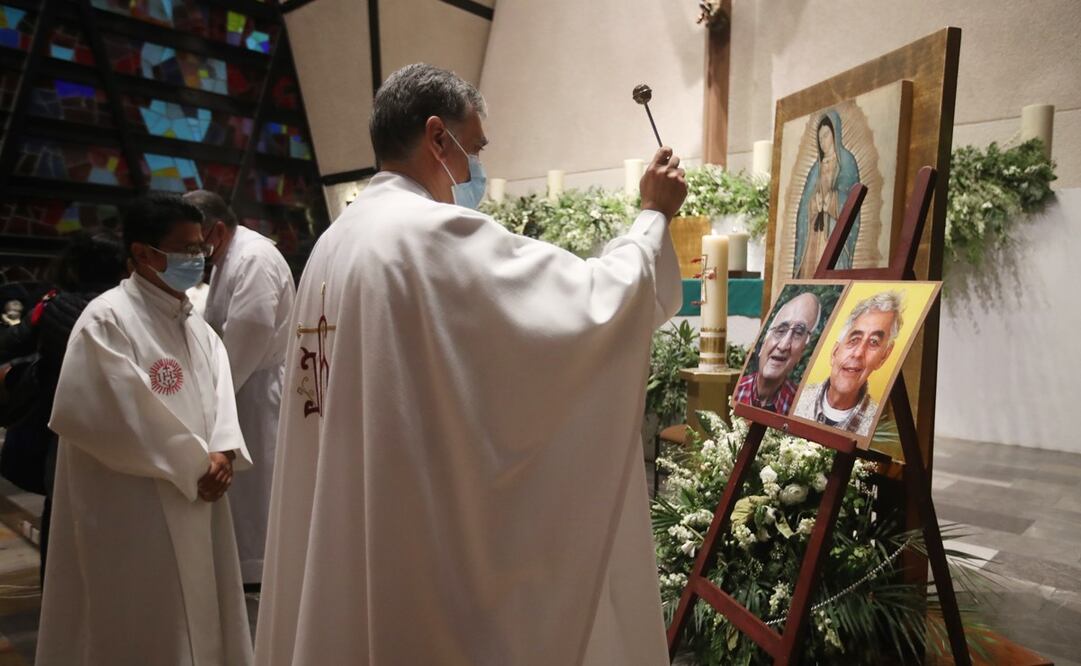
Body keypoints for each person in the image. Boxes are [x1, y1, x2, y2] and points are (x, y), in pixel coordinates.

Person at [255, 63, 686, 666]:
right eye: (474, 148)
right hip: (411, 539)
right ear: (437, 137)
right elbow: (592, 308)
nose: (476, 167)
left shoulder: (337, 239)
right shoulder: (424, 234)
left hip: (350, 517)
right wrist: (652, 216)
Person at [36, 194, 254, 666]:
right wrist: (199, 463)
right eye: (183, 249)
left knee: (208, 606)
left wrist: (225, 450)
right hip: (135, 503)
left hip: (203, 490)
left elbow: (221, 390)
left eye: (200, 248)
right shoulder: (107, 320)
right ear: (142, 254)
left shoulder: (195, 324)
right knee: (147, 618)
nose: (196, 260)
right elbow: (112, 418)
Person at [0, 231, 127, 583]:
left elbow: (12, 342)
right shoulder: (128, 311)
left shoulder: (55, 305)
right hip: (121, 432)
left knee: (61, 521)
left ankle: (58, 607)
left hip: (62, 431)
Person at [183, 189, 296, 586]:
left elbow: (250, 332)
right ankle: (250, 566)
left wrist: (214, 395)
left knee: (259, 490)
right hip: (240, 385)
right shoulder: (229, 254)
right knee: (247, 495)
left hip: (253, 387)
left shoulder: (253, 257)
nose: (194, 249)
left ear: (214, 228)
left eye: (195, 239)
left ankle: (262, 572)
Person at [793, 290, 903, 435]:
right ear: (835, 352)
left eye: (873, 342)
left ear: (883, 357)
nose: (858, 353)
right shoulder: (796, 399)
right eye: (854, 339)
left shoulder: (876, 427)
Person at [793, 111, 861, 277]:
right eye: (820, 137)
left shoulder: (847, 161)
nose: (822, 141)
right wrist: (813, 205)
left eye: (826, 135)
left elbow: (852, 199)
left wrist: (832, 201)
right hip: (814, 236)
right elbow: (803, 208)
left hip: (832, 236)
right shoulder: (815, 169)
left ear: (835, 133)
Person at [733, 291, 821, 414]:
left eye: (798, 333)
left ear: (801, 353)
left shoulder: (800, 409)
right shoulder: (734, 391)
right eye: (781, 330)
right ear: (764, 342)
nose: (784, 345)